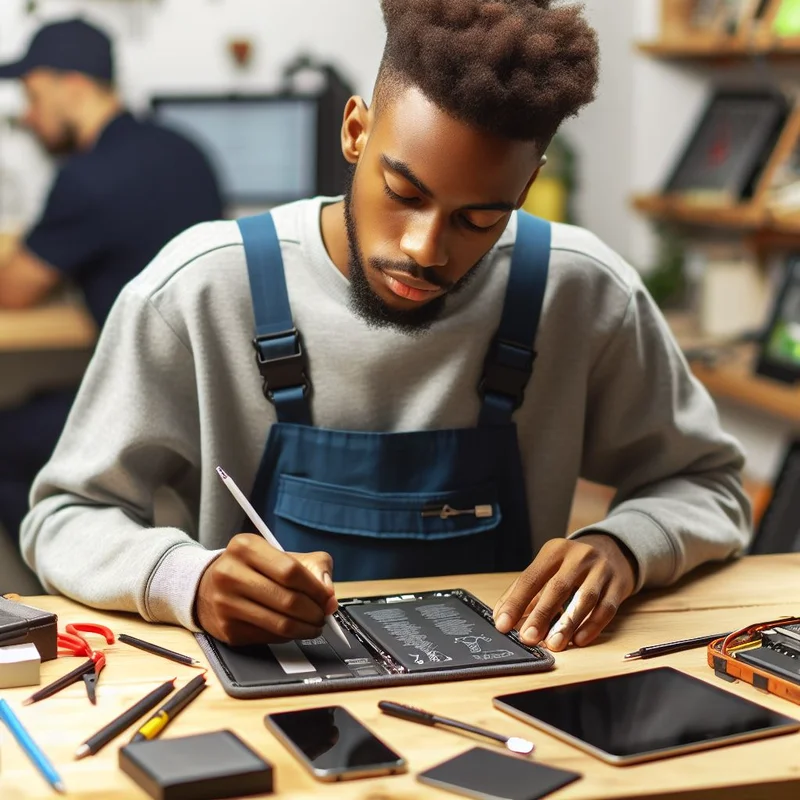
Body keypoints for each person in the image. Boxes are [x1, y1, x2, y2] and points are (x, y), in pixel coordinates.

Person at [21, 0, 750, 653]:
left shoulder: (585, 292)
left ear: (526, 188)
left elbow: (707, 485)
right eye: (404, 192)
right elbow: (65, 516)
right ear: (355, 131)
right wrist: (188, 577)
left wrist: (622, 546)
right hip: (256, 713)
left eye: (480, 218)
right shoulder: (200, 290)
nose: (424, 250)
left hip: (504, 705)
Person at [0, 18, 223, 543]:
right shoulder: (186, 150)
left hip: (143, 410)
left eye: (32, 96)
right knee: (38, 398)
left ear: (71, 84)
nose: (28, 118)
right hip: (206, 402)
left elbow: (13, 290)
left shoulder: (88, 178)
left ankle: (49, 581)